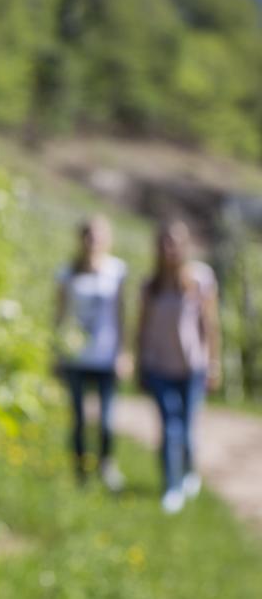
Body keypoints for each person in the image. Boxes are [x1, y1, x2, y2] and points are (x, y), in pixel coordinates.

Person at [137, 220, 221, 514]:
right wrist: (139, 364)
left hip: (192, 367)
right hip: (159, 366)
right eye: (164, 243)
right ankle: (170, 486)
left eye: (174, 243)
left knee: (186, 429)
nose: (168, 249)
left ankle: (188, 470)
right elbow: (142, 328)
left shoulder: (199, 280)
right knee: (169, 428)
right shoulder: (151, 286)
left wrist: (213, 363)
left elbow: (209, 325)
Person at [54, 216, 127, 491]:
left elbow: (122, 314)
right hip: (76, 356)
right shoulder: (67, 273)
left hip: (106, 356)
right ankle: (80, 472)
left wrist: (124, 352)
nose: (92, 241)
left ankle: (106, 465)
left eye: (98, 235)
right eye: (88, 235)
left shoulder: (117, 271)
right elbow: (59, 316)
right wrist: (57, 352)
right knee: (79, 419)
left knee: (106, 421)